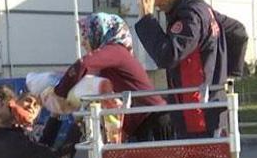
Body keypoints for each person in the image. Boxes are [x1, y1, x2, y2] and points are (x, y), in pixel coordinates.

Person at [53, 12, 172, 142]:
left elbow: (83, 64)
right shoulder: (112, 56)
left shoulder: (115, 51)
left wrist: (59, 92)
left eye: (85, 36)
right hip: (143, 122)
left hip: (153, 120)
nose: (83, 43)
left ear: (99, 32)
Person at [134, 0, 229, 138]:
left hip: (199, 114)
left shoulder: (190, 15)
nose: (154, 4)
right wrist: (224, 74)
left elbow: (167, 55)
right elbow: (237, 31)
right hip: (199, 108)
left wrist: (146, 18)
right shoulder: (199, 9)